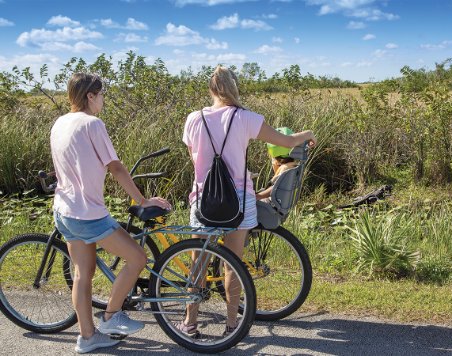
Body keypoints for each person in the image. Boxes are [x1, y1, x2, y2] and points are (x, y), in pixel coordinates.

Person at [180, 66, 316, 335]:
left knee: (199, 261)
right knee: (233, 263)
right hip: (240, 201)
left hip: (204, 199)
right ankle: (233, 325)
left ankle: (189, 323)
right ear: (234, 88)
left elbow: (195, 159)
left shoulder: (194, 119)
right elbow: (286, 141)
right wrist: (308, 133)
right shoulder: (246, 118)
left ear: (211, 90)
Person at [50, 73, 171, 354]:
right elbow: (115, 167)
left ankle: (87, 338)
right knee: (138, 257)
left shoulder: (60, 123)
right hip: (88, 215)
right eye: (101, 94)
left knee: (83, 273)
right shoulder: (93, 124)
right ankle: (110, 316)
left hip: (64, 211)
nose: (103, 99)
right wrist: (142, 199)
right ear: (90, 96)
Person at [255, 126, 299, 201]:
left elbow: (275, 188)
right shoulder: (293, 165)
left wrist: (258, 196)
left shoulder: (285, 169)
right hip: (279, 202)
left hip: (272, 203)